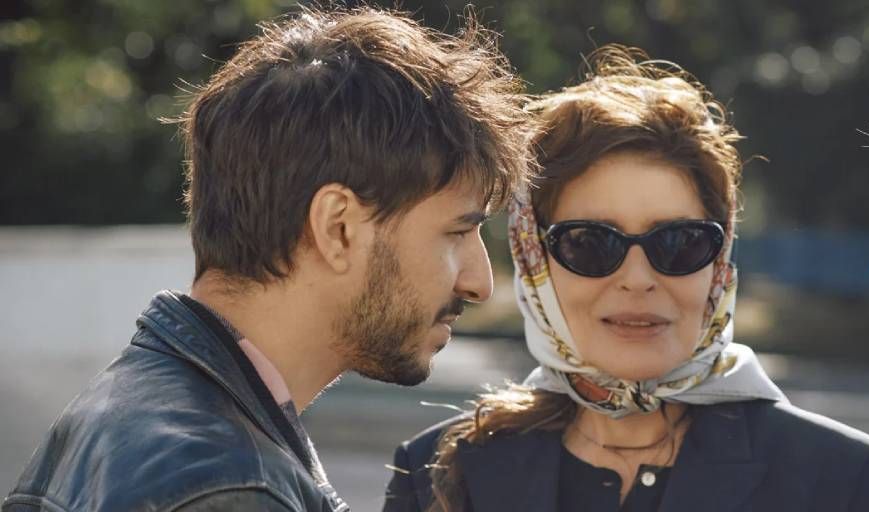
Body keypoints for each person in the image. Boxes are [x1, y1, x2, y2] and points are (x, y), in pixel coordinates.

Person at [3, 6, 532, 512]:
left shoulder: (124, 408)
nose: (479, 283)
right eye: (458, 232)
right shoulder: (227, 489)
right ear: (338, 228)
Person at [382, 46, 869, 512]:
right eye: (589, 243)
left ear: (720, 266)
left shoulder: (841, 479)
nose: (637, 278)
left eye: (679, 242)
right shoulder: (440, 473)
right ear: (533, 260)